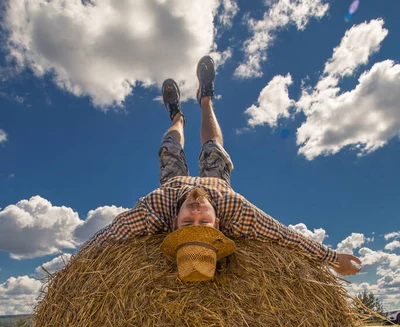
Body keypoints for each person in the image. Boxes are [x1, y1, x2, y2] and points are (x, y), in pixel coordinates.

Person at [80, 56, 361, 278]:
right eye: (203, 222)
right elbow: (285, 236)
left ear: (174, 223)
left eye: (188, 222)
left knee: (170, 148)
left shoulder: (153, 208)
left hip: (172, 186)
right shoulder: (238, 212)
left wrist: (71, 272)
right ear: (218, 224)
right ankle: (206, 99)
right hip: (218, 186)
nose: (195, 212)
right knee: (212, 146)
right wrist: (334, 259)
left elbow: (107, 237)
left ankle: (177, 115)